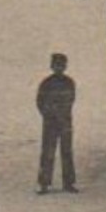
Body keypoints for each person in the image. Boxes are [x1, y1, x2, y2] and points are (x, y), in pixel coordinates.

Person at [36, 53, 78, 193]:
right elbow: (40, 101)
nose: (59, 68)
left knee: (67, 152)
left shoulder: (69, 82)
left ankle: (69, 183)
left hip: (65, 121)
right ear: (52, 66)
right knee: (48, 152)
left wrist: (63, 114)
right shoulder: (46, 83)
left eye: (61, 65)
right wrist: (48, 114)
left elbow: (71, 100)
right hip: (50, 123)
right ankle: (44, 183)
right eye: (56, 65)